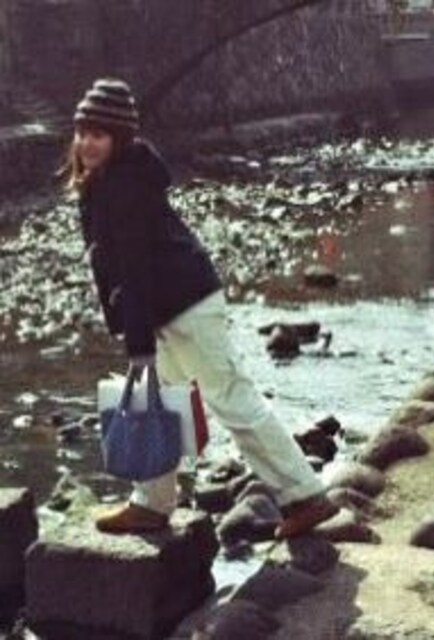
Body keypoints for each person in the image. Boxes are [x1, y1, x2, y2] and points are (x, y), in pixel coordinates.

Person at [64, 77, 338, 537]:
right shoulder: (108, 180)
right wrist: (138, 335)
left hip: (185, 305)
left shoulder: (124, 186)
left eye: (99, 135)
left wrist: (137, 344)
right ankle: (152, 503)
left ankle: (306, 495)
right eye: (83, 133)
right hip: (165, 306)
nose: (87, 143)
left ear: (120, 139)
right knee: (156, 400)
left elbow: (134, 269)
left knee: (230, 399)